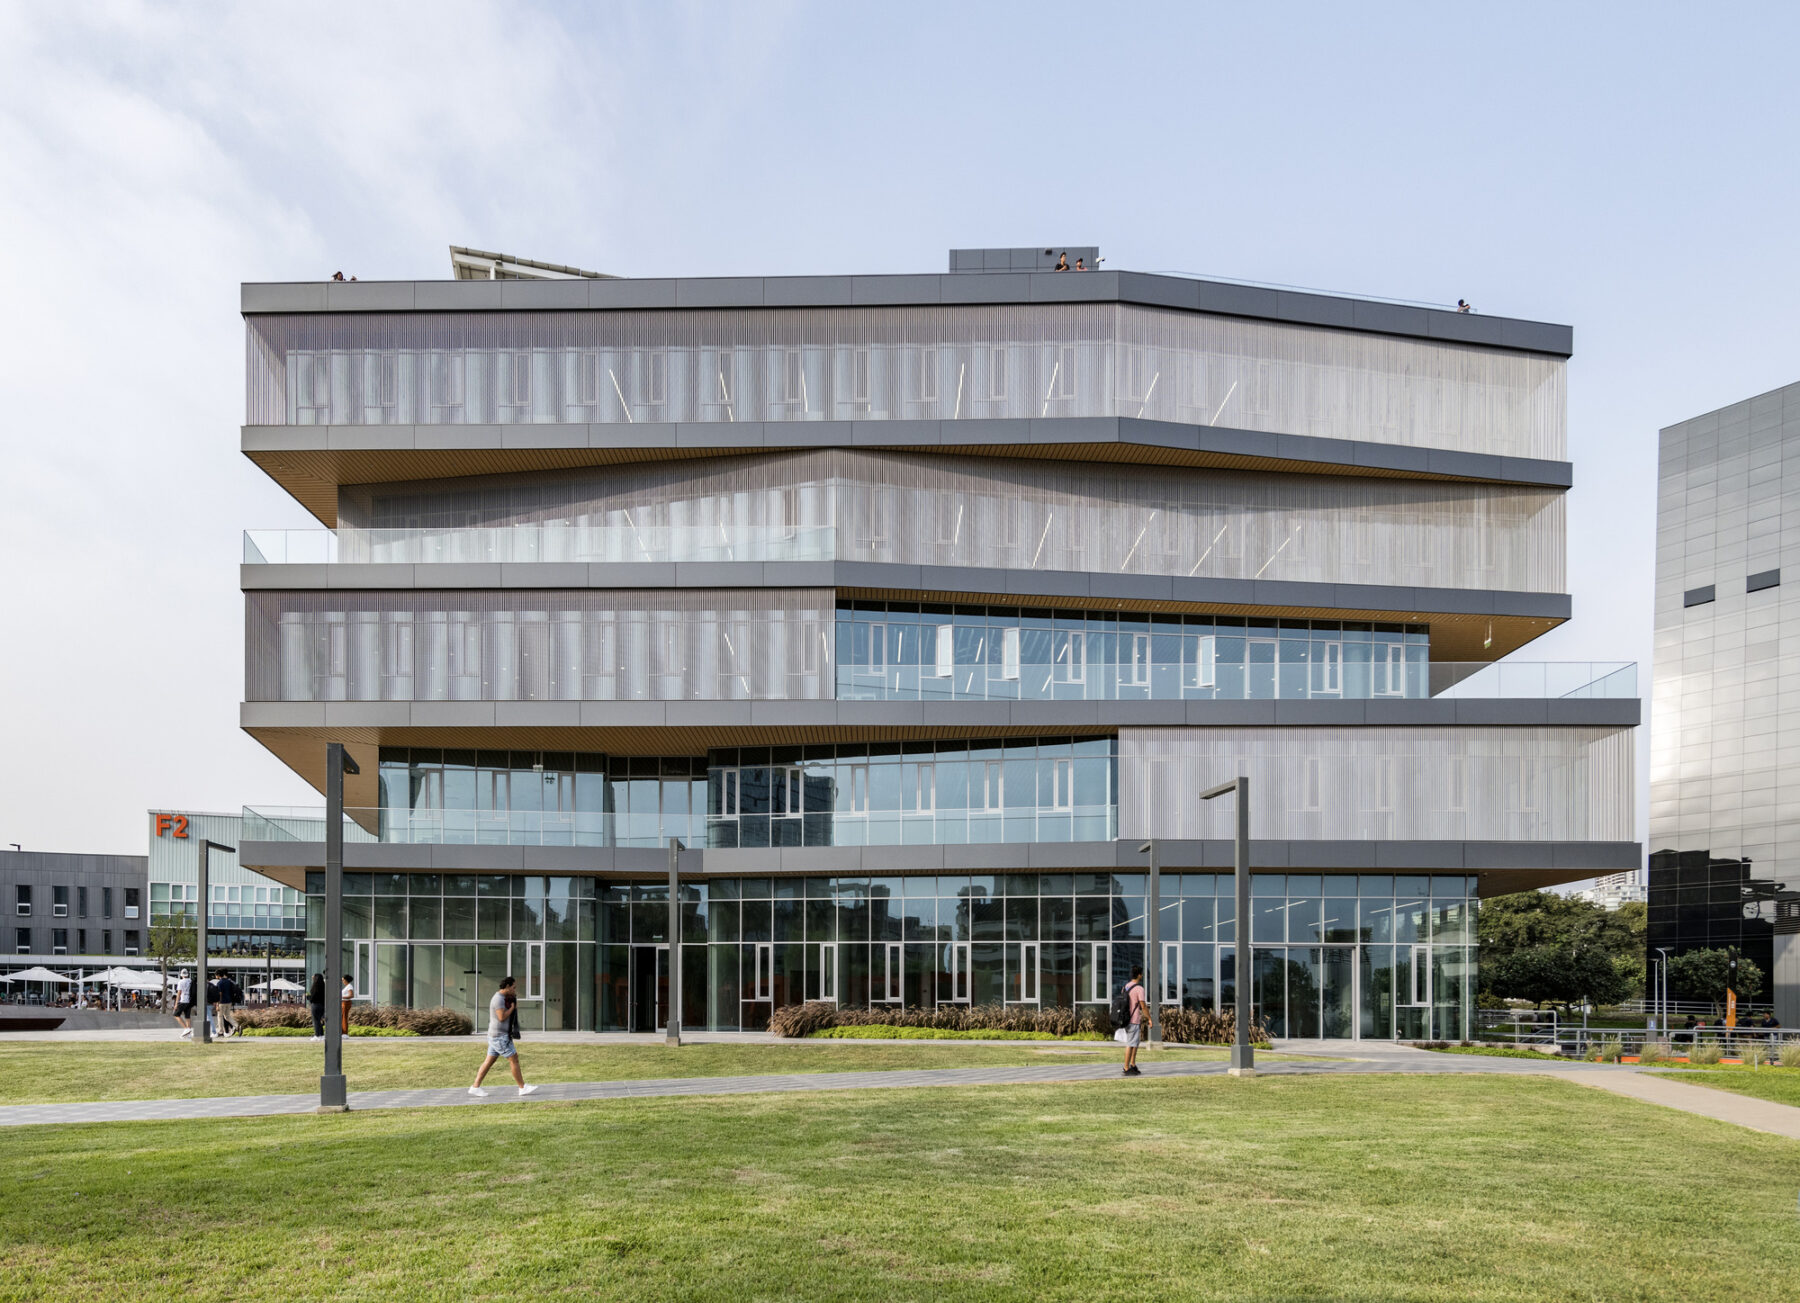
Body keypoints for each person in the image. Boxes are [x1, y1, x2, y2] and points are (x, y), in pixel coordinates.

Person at [470, 976, 538, 1097]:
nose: (515, 989)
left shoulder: (503, 998)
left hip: (497, 1036)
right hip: (499, 1037)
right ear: (507, 986)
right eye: (513, 987)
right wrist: (512, 1008)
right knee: (514, 1059)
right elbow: (501, 1017)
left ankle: (475, 1087)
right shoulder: (498, 999)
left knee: (489, 1062)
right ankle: (522, 1087)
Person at [1122, 964, 1148, 1077]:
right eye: (1141, 974)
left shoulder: (1126, 987)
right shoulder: (1139, 989)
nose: (1142, 976)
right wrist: (1150, 1019)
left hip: (1127, 1019)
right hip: (1133, 1019)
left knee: (1135, 1043)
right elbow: (1143, 1006)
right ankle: (1126, 1067)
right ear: (1139, 975)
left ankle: (1132, 1064)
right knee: (1131, 1044)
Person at [174, 970, 194, 1038]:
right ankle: (189, 1034)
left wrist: (176, 1003)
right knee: (187, 1016)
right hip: (190, 1001)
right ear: (188, 974)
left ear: (181, 975)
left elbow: (179, 993)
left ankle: (186, 1028)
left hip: (183, 1000)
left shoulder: (181, 982)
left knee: (176, 1014)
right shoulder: (191, 981)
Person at [308, 973, 326, 1039]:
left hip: (315, 1005)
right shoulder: (323, 985)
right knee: (319, 1020)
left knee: (315, 1020)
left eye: (314, 976)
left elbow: (313, 996)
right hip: (322, 1005)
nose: (313, 977)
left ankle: (317, 1035)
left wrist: (309, 998)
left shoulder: (315, 986)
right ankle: (321, 1034)